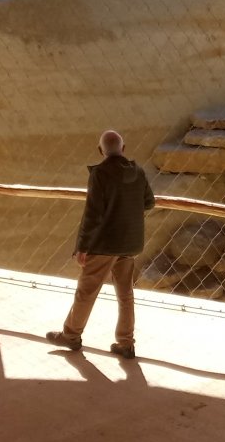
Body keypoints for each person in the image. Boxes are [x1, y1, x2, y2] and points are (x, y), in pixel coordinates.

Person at [46, 129, 154, 358]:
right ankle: (126, 342)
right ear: (123, 149)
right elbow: (149, 203)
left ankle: (71, 335)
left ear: (100, 151)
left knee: (86, 291)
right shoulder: (138, 171)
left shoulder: (100, 174)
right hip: (130, 243)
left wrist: (82, 247)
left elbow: (92, 214)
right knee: (125, 294)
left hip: (104, 244)